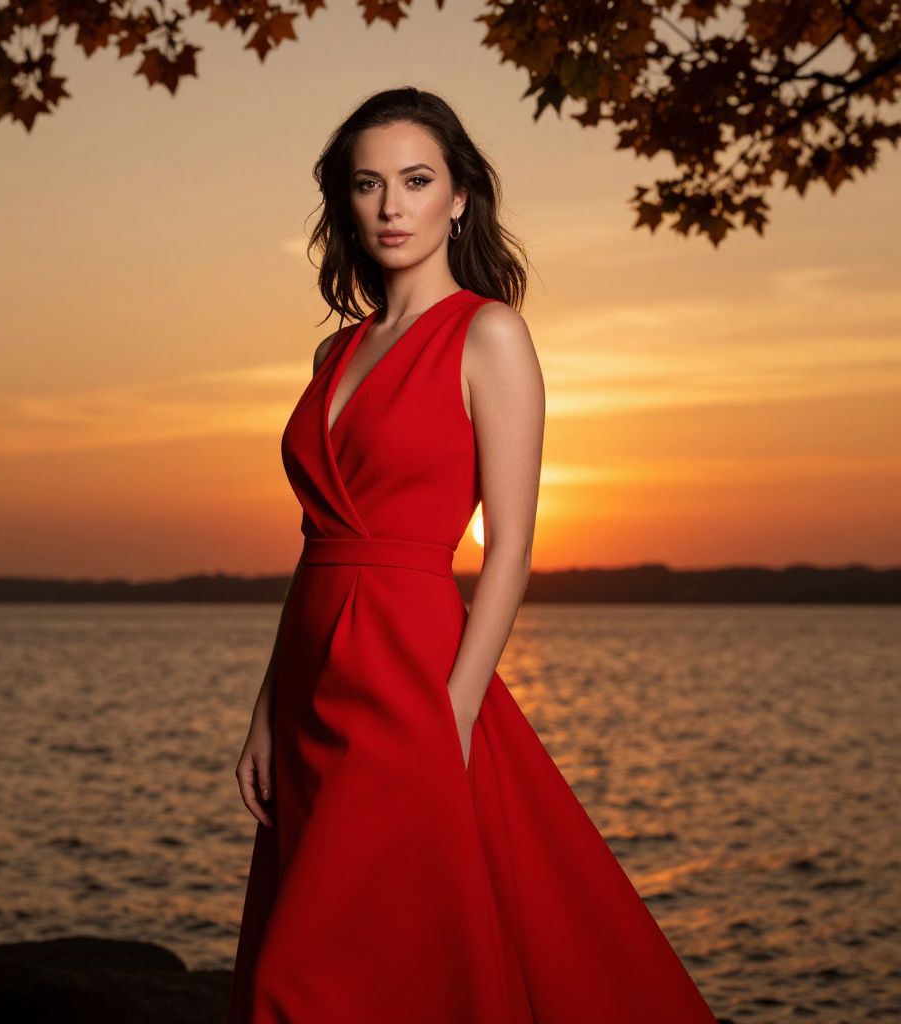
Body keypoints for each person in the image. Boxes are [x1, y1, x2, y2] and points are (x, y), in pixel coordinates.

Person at [225, 86, 719, 1023]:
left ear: (459, 197)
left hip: (409, 674)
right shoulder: (336, 355)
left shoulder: (488, 333)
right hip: (309, 678)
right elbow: (316, 544)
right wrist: (264, 706)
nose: (390, 206)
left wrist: (451, 714)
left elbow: (513, 547)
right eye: (368, 184)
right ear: (346, 202)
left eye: (416, 180)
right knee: (355, 935)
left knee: (311, 963)